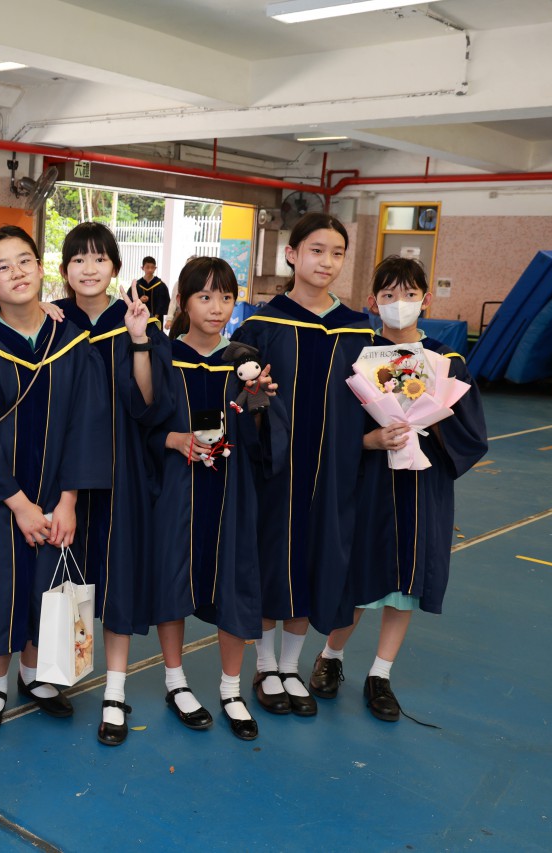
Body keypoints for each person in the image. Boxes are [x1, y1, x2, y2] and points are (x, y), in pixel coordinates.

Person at [0, 225, 110, 736]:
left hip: (57, 490)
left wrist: (69, 500)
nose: (16, 273)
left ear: (40, 267)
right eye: (2, 266)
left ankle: (35, 675)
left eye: (25, 261)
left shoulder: (71, 341)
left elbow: (86, 423)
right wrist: (18, 503)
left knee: (46, 583)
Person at [309, 257, 488, 721]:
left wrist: (430, 421)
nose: (399, 303)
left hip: (421, 485)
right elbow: (330, 426)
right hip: (368, 483)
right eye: (388, 295)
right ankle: (331, 656)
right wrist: (368, 440)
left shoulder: (446, 361)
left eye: (409, 294)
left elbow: (471, 432)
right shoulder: (358, 359)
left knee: (406, 581)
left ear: (425, 299)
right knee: (359, 575)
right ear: (373, 302)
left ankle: (381, 674)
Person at [53, 223, 204, 747]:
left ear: (116, 269)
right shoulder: (53, 321)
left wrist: (139, 339)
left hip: (123, 473)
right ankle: (44, 673)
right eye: (78, 259)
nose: (89, 268)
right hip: (63, 474)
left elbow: (149, 404)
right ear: (64, 269)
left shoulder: (137, 322)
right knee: (58, 574)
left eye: (100, 259)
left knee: (117, 577)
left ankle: (114, 691)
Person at [230, 212, 374, 718]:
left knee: (315, 560)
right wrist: (254, 398)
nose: (327, 262)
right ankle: (265, 666)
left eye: (337, 253)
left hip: (333, 471)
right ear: (292, 255)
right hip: (276, 470)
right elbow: (241, 405)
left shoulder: (358, 331)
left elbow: (370, 404)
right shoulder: (262, 326)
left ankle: (291, 668)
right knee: (272, 561)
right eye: (316, 250)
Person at [152, 257, 272, 741]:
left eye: (226, 297)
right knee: (172, 578)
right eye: (204, 297)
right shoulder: (163, 355)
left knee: (235, 581)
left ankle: (230, 688)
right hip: (177, 487)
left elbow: (260, 432)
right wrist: (173, 439)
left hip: (231, 487)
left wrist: (259, 399)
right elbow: (140, 421)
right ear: (183, 301)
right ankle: (175, 681)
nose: (217, 307)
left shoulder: (243, 359)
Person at [135, 256, 170, 320]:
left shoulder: (160, 285)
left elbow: (163, 302)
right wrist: (140, 300)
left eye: (152, 267)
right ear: (142, 268)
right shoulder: (137, 285)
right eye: (147, 267)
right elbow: (130, 300)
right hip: (139, 319)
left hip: (156, 319)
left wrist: (155, 318)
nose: (150, 270)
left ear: (155, 268)